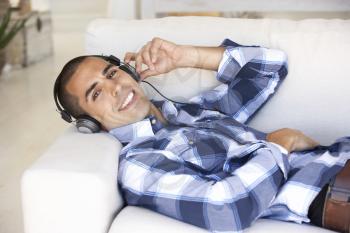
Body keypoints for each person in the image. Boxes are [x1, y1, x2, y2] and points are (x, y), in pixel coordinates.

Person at [54, 37, 350, 233]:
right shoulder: (140, 163)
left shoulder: (193, 111)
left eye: (111, 73)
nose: (115, 87)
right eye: (97, 93)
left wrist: (185, 56)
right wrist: (279, 146)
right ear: (88, 122)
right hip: (333, 191)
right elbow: (226, 209)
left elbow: (269, 66)